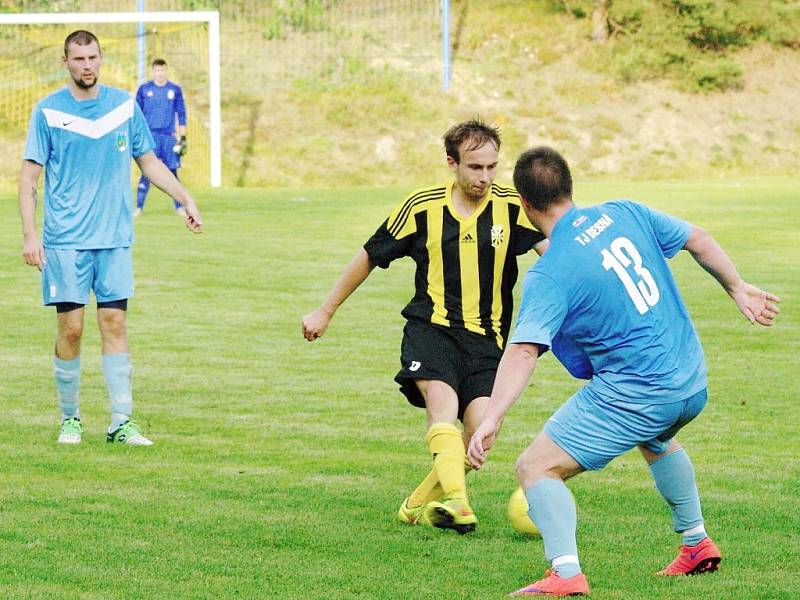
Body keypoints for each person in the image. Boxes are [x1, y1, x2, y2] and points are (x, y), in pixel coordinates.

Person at [467, 146, 780, 596]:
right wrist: (737, 287)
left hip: (640, 393)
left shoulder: (551, 271)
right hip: (689, 379)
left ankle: (566, 574)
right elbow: (699, 238)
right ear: (569, 186)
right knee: (657, 437)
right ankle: (695, 543)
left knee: (535, 467)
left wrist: (492, 417)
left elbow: (523, 352)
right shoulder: (624, 212)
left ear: (524, 203)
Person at [302, 120, 548, 534]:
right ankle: (457, 503)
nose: (484, 177)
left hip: (489, 340)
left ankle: (417, 505)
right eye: (474, 167)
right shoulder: (422, 207)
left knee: (480, 433)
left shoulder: (511, 206)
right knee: (442, 404)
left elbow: (555, 255)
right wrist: (325, 311)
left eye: (491, 167)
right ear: (452, 163)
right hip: (431, 329)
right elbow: (369, 255)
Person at [19, 30, 203, 446]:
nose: (87, 65)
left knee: (115, 322)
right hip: (64, 239)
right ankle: (71, 419)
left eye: (93, 57)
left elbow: (150, 162)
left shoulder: (124, 106)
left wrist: (185, 198)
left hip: (115, 237)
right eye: (79, 58)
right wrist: (31, 235)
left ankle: (121, 421)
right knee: (71, 329)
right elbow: (29, 178)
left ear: (101, 59)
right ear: (65, 62)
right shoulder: (48, 112)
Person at [134, 58, 187, 217]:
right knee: (146, 171)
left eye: (162, 70)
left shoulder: (174, 90)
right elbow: (136, 114)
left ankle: (179, 207)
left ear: (166, 70)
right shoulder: (144, 89)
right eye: (157, 70)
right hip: (150, 137)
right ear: (153, 71)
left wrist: (183, 137)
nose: (160, 73)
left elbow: (181, 113)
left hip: (168, 137)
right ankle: (139, 207)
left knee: (172, 172)